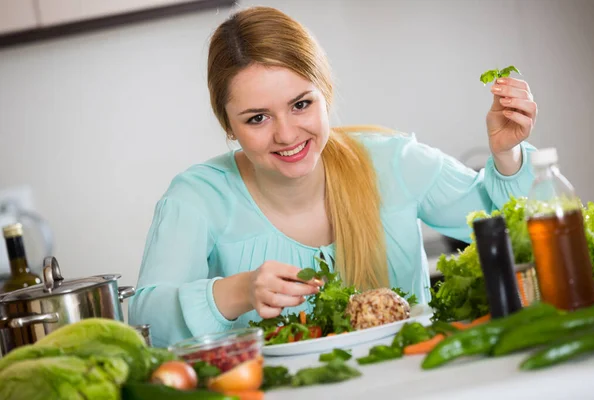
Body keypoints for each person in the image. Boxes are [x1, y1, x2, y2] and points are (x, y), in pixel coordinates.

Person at [128, 6, 538, 347]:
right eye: (257, 118)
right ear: (228, 126)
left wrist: (506, 154)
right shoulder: (197, 197)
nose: (287, 134)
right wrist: (238, 291)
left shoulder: (392, 162)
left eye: (301, 104)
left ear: (326, 93)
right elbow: (148, 320)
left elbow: (517, 231)